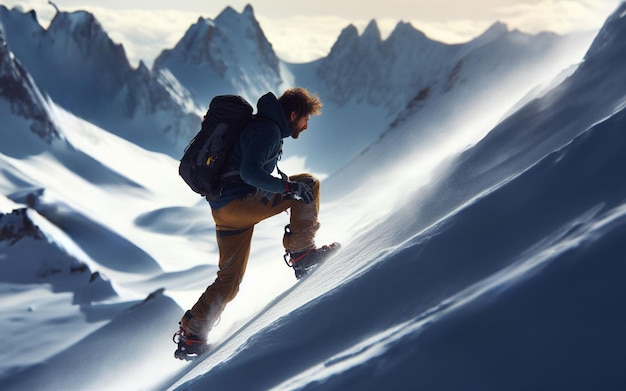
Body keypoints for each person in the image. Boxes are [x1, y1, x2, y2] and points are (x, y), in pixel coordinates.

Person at [173, 87, 339, 360]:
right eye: (305, 120)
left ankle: (193, 333)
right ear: (294, 114)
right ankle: (303, 254)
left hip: (223, 210)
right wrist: (288, 187)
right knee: (307, 184)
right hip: (241, 204)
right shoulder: (267, 131)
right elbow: (251, 172)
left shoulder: (260, 127)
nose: (307, 126)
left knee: (229, 279)